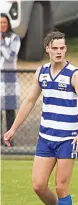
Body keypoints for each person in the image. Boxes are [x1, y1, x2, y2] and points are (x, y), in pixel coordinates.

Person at [3, 31, 78, 205]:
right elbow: (29, 101)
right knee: (38, 185)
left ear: (66, 49)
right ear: (48, 49)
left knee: (61, 186)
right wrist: (13, 129)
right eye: (55, 48)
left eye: (62, 48)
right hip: (45, 138)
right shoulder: (41, 72)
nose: (59, 51)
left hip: (67, 139)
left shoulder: (74, 74)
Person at [1, 13, 21, 145]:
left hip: (8, 78)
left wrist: (2, 43)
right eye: (0, 23)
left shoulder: (14, 38)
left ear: (8, 24)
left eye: (4, 22)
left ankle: (9, 138)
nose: (2, 25)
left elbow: (11, 56)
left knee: (9, 110)